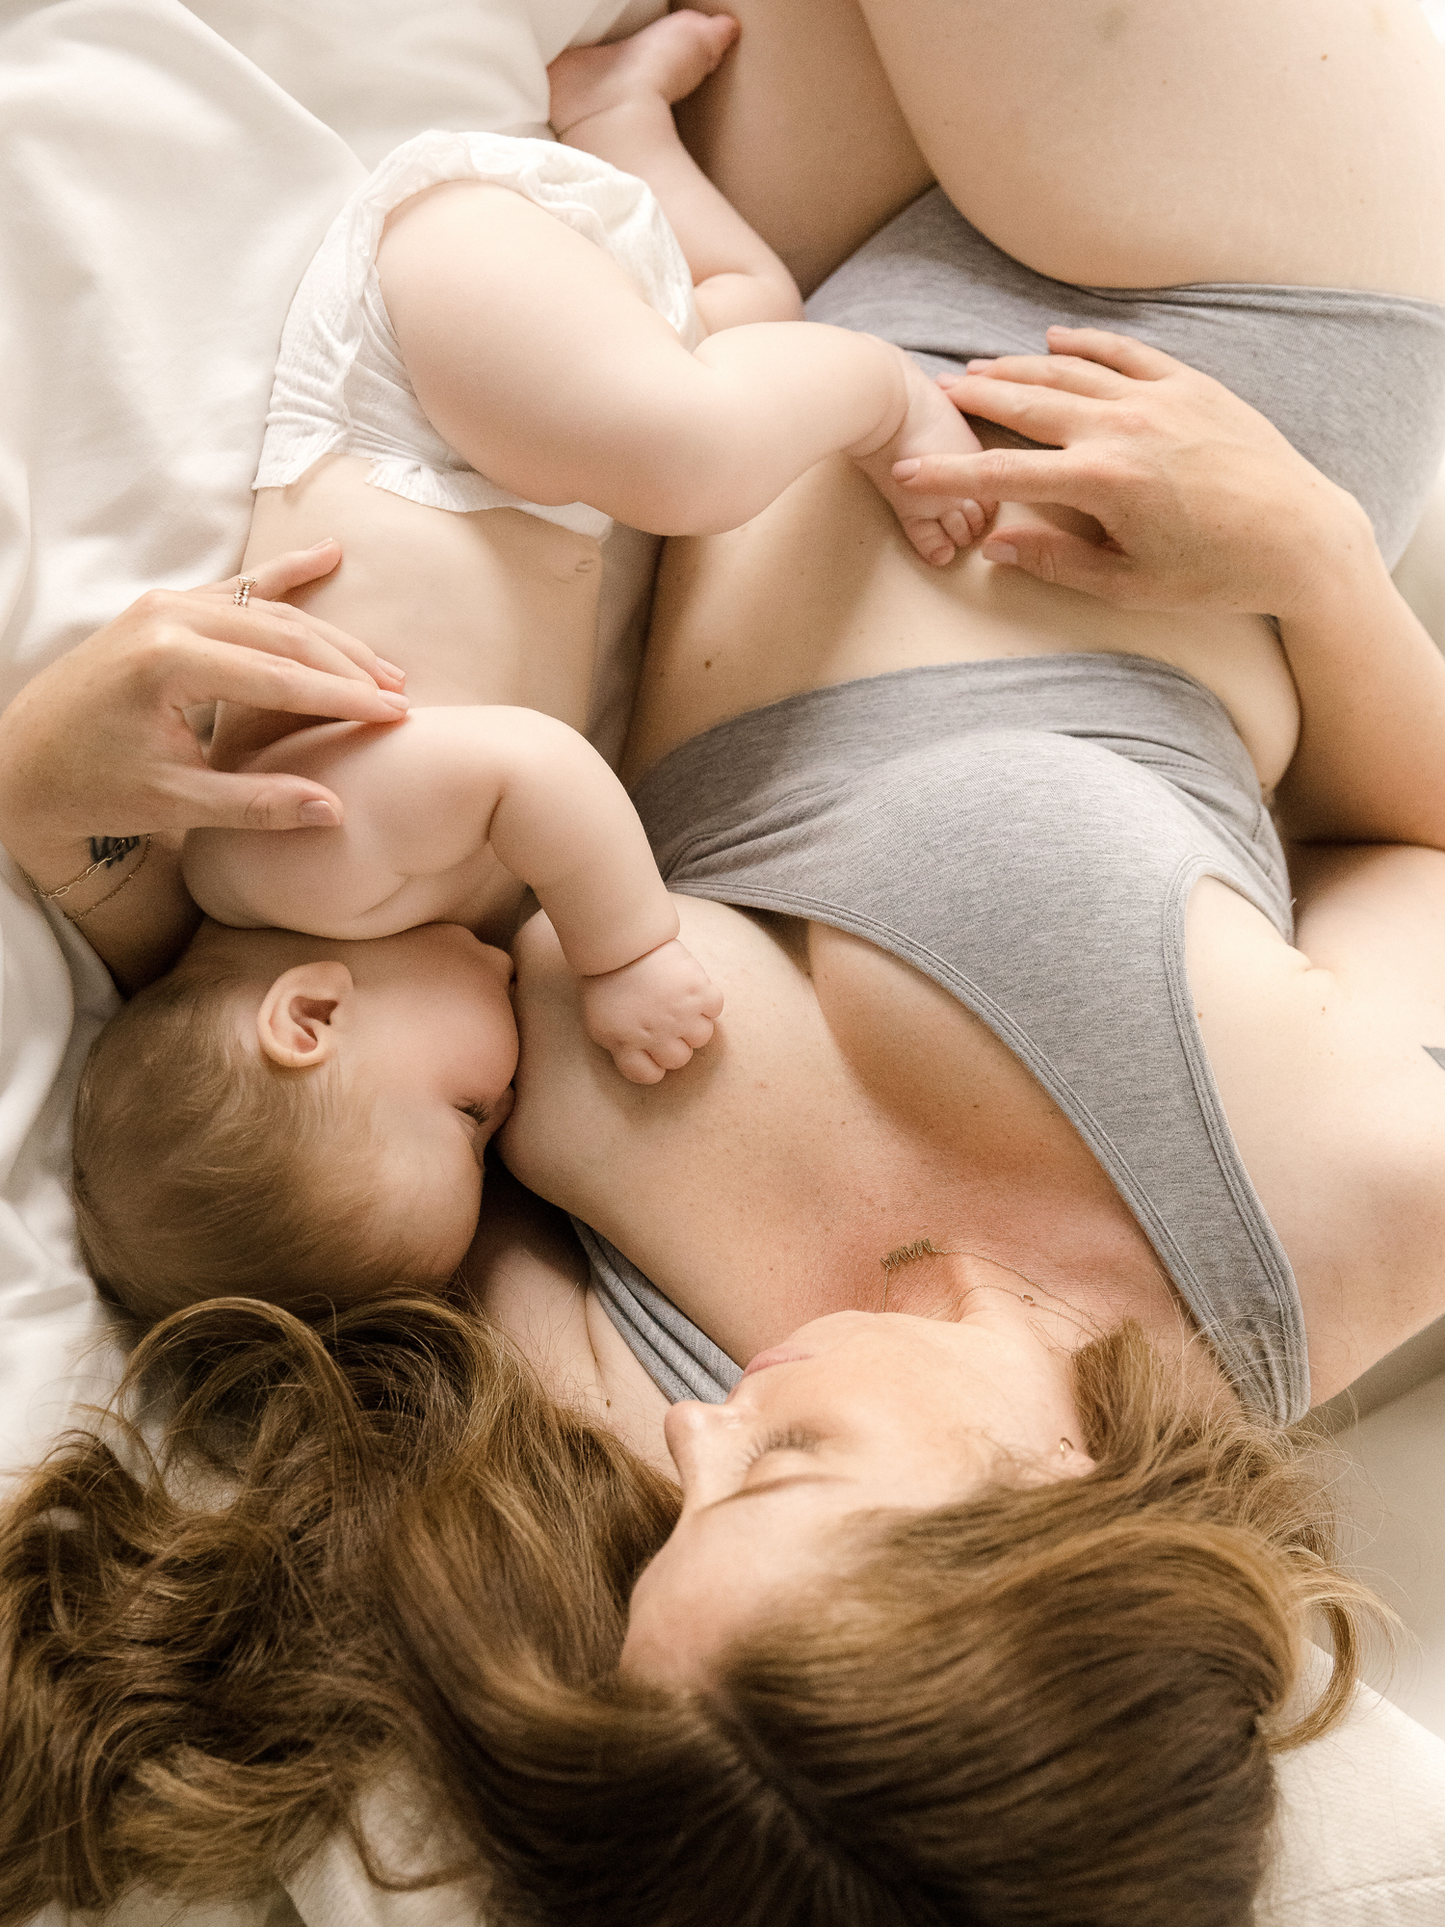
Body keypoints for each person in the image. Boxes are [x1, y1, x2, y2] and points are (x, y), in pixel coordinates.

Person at [4, 0, 1445, 1922]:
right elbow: (1412, 836)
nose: (698, 1437)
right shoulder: (1341, 1212)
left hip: (733, 340)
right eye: (784, 1469)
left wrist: (52, 802)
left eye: (681, 1522)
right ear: (1039, 1526)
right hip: (1202, 318)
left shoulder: (628, 1403)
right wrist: (1319, 553)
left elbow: (282, 1025)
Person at [48, 9, 995, 1323]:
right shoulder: (403, 915)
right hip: (533, 427)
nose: (507, 1109)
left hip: (417, 378)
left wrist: (627, 954)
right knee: (744, 322)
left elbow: (529, 765)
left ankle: (885, 394)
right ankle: (618, 120)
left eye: (466, 1112)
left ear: (308, 1019)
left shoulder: (294, 866)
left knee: (697, 461)